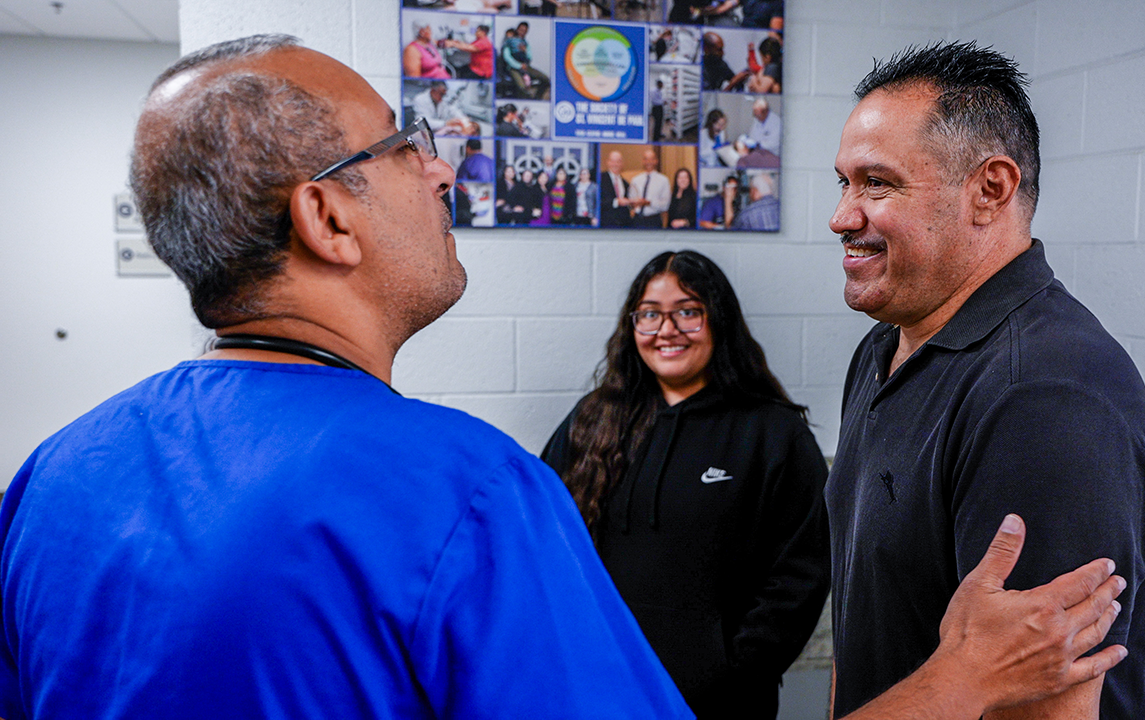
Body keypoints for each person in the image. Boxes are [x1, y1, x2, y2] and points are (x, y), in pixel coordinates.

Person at [0, 34, 692, 718]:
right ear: (327, 219)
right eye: (402, 147)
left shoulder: (52, 475)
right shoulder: (468, 491)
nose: (441, 172)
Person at [825, 41, 1145, 719]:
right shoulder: (882, 349)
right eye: (843, 182)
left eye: (877, 183)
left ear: (991, 190)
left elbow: (1047, 704)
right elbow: (861, 612)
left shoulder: (1045, 395)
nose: (842, 215)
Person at [541, 251, 831, 718]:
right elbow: (544, 546)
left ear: (719, 321)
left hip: (722, 704)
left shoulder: (773, 434)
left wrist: (735, 672)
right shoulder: (591, 422)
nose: (666, 329)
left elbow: (801, 573)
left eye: (688, 312)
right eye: (651, 314)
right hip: (598, 692)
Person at [412, 81, 479, 137]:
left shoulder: (442, 100)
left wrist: (463, 120)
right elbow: (423, 123)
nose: (442, 98)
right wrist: (445, 123)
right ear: (433, 90)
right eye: (441, 94)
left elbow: (452, 109)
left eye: (444, 95)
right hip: (421, 133)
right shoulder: (420, 99)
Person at [501, 22, 550, 99]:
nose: (522, 32)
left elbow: (530, 57)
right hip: (513, 68)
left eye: (524, 31)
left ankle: (537, 97)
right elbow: (507, 57)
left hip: (526, 66)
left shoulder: (525, 43)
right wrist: (519, 65)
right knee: (522, 87)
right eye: (521, 30)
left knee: (546, 79)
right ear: (517, 30)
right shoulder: (509, 41)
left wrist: (525, 51)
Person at [627, 148, 671, 229]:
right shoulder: (635, 180)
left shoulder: (664, 180)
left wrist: (649, 203)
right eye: (646, 159)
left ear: (656, 161)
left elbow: (665, 205)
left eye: (652, 159)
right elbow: (630, 200)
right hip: (637, 220)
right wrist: (633, 203)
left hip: (653, 220)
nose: (649, 162)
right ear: (643, 161)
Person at [599, 150, 633, 227]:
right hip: (605, 225)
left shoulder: (625, 183)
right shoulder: (600, 179)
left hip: (623, 226)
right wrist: (616, 202)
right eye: (612, 161)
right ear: (607, 162)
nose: (615, 164)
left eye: (618, 161)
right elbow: (597, 202)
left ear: (622, 164)